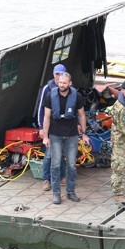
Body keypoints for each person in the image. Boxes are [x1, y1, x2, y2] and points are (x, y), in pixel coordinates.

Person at [42, 72, 90, 204]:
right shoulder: (49, 96)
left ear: (70, 83)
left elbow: (81, 115)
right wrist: (45, 137)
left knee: (72, 165)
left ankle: (71, 191)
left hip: (72, 134)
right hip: (55, 134)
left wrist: (84, 133)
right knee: (55, 165)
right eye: (60, 82)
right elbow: (46, 117)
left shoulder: (77, 96)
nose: (61, 85)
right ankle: (56, 193)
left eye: (64, 83)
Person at [36, 64, 67, 191]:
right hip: (50, 127)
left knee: (62, 153)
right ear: (53, 74)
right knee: (48, 154)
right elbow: (40, 109)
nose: (58, 76)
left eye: (61, 74)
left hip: (64, 127)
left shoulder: (69, 89)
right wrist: (41, 127)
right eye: (56, 74)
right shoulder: (46, 89)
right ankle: (46, 179)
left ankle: (61, 176)